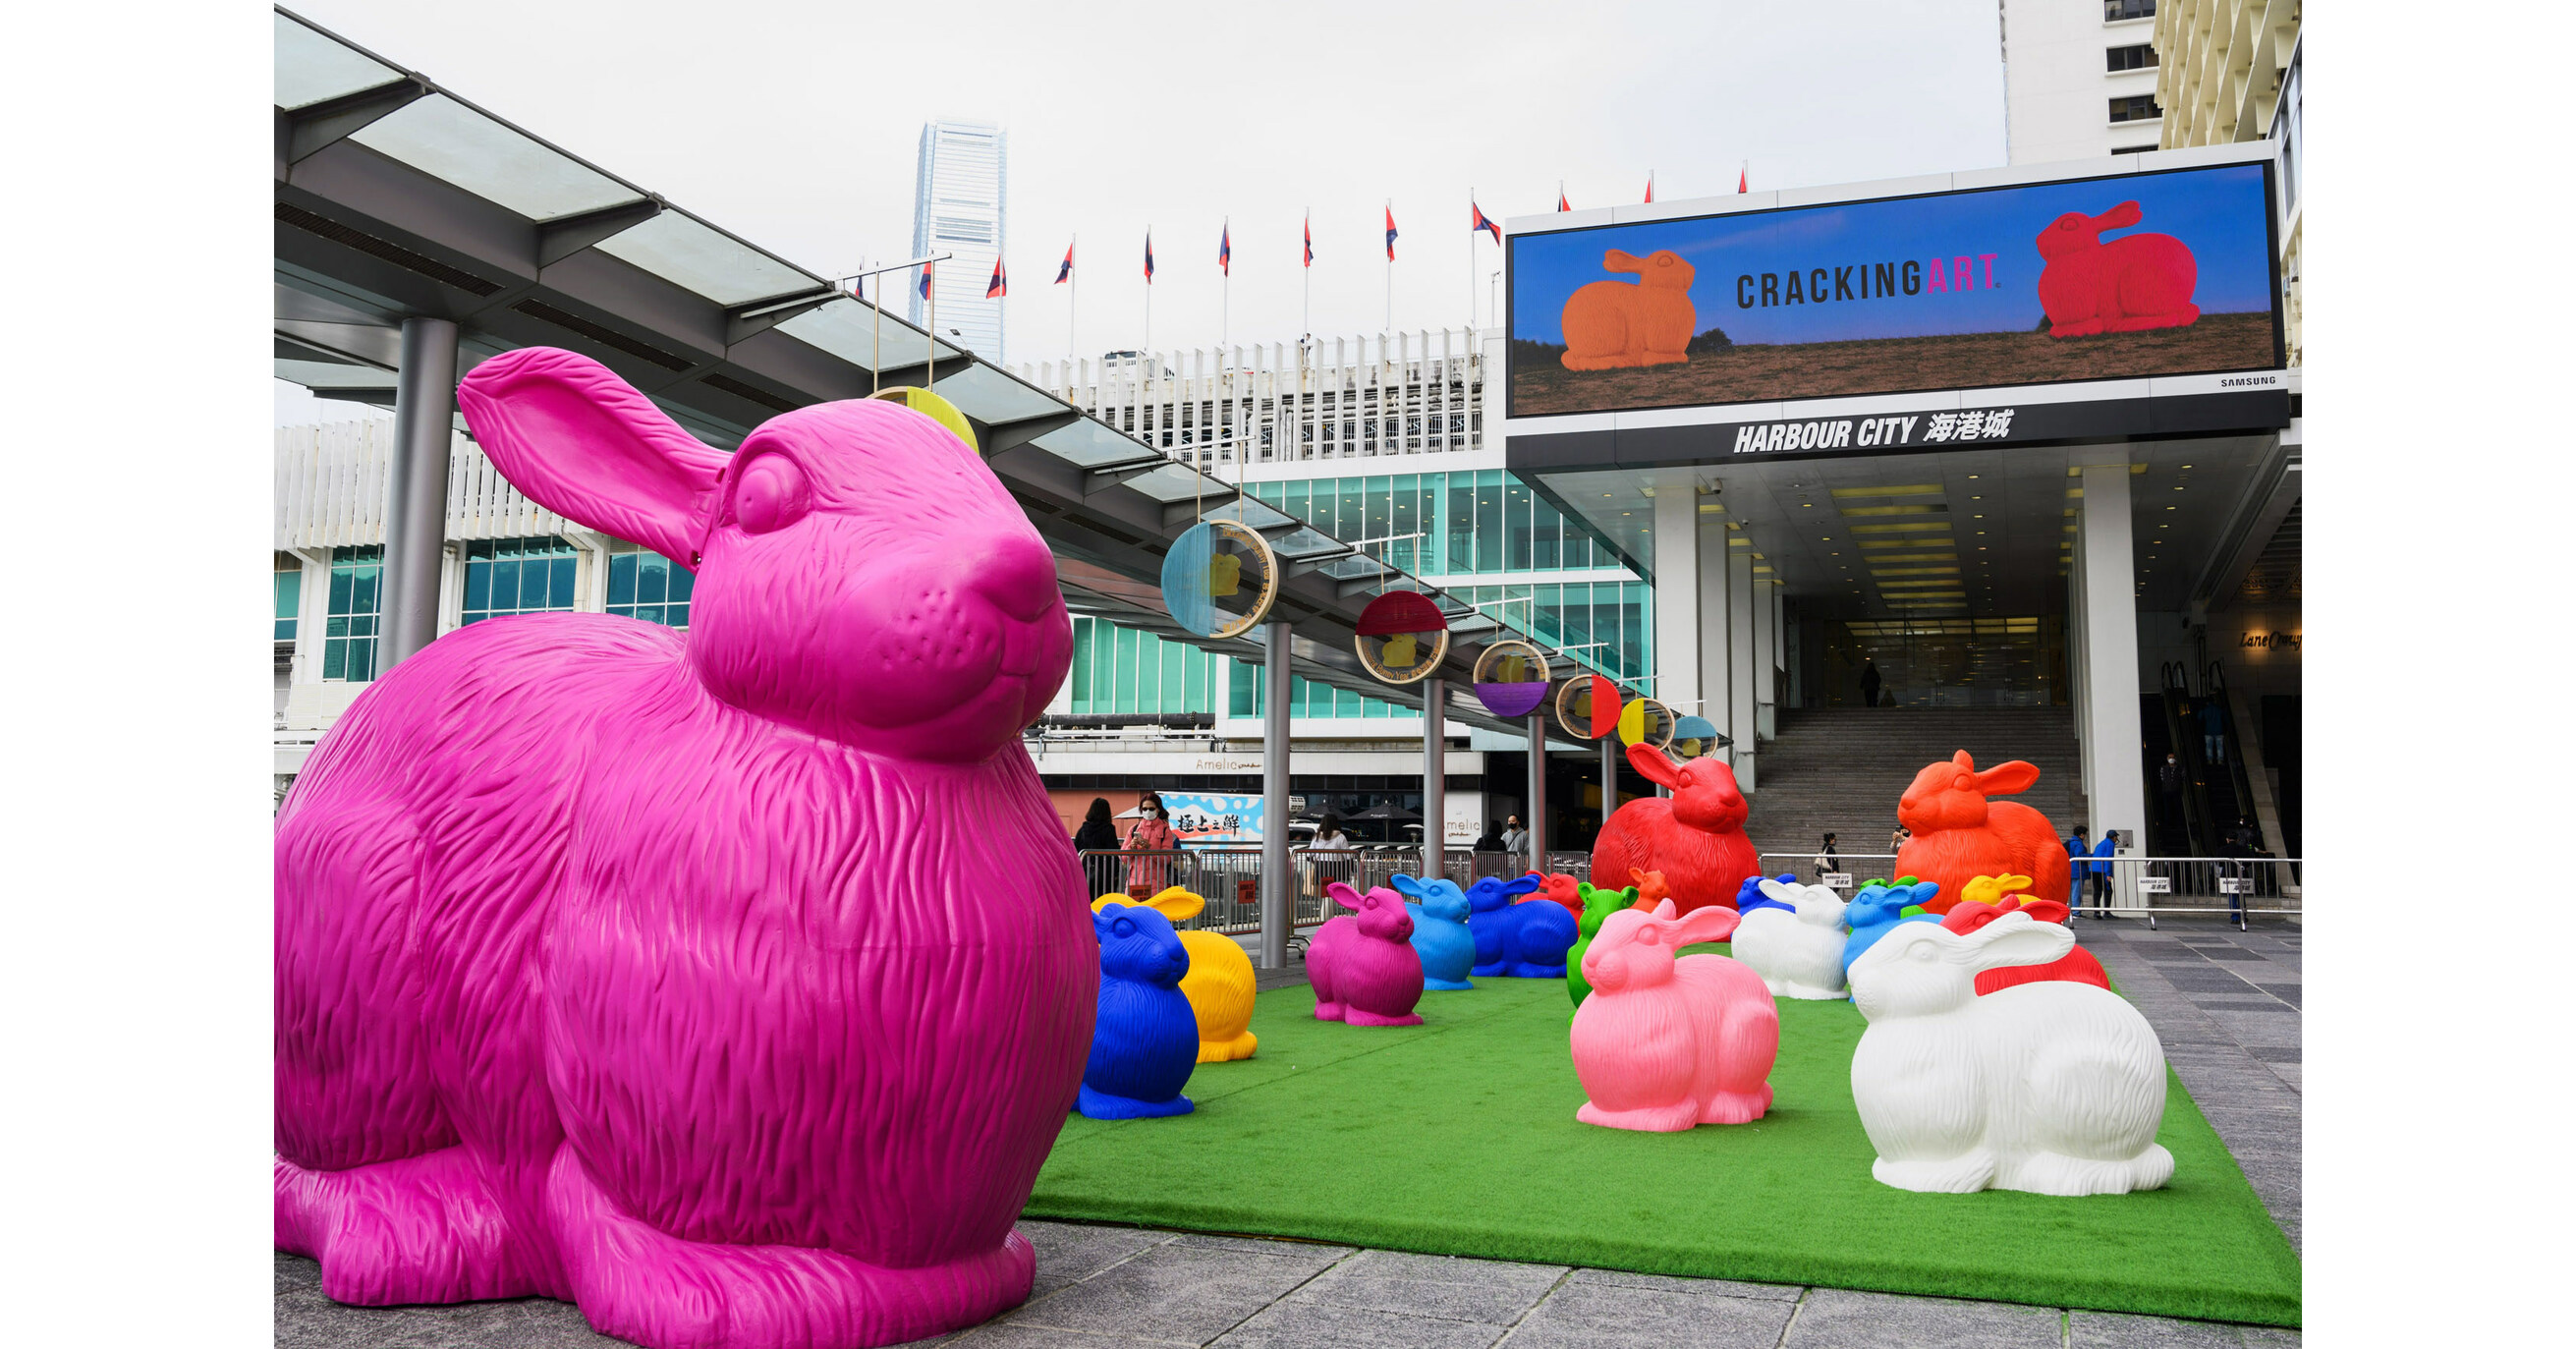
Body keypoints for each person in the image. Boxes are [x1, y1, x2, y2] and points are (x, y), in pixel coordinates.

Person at [1123, 791, 1178, 897]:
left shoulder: (1165, 830)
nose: (1148, 811)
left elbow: (1166, 858)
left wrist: (1150, 849)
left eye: (1151, 809)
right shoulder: (1133, 829)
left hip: (1155, 884)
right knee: (1134, 912)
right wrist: (1131, 847)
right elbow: (1123, 857)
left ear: (1158, 809)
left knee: (1152, 912)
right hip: (1133, 883)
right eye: (1144, 809)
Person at [1305, 812, 1356, 895]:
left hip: (1321, 867)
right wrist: (1354, 869)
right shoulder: (1340, 837)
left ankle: (1325, 907)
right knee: (1335, 892)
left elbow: (1309, 855)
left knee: (1325, 893)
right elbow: (1348, 856)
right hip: (1337, 868)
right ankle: (1329, 907)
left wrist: (1315, 862)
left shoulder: (1317, 837)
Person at [2201, 699, 2226, 766]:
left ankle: (2210, 760)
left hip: (2208, 731)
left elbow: (2199, 717)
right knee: (2219, 746)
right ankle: (2220, 760)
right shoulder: (2219, 709)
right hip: (2219, 730)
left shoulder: (2205, 709)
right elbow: (2224, 718)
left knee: (2209, 746)